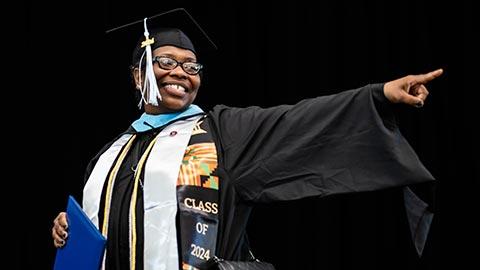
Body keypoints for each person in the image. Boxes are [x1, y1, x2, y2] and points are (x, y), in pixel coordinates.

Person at [51, 8, 442, 270]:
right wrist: (67, 227)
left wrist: (378, 94)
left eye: (192, 66)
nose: (182, 73)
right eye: (166, 62)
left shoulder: (219, 133)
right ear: (139, 76)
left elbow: (298, 121)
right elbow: (102, 225)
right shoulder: (109, 154)